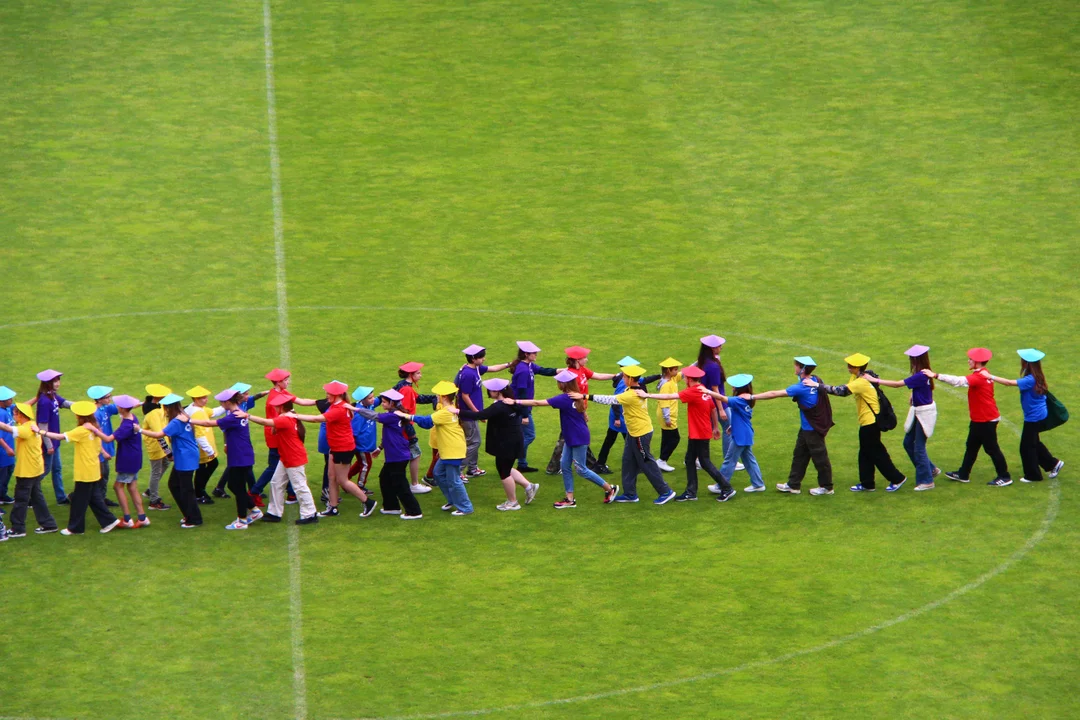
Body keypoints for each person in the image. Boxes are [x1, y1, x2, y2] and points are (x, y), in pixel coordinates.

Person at [514, 370, 619, 508]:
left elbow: (537, 402)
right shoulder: (576, 396)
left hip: (577, 436)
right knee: (565, 465)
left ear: (563, 384)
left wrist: (515, 401)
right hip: (573, 435)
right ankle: (569, 499)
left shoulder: (564, 398)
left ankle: (609, 489)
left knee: (581, 469)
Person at [636, 365, 734, 502]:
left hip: (699, 433)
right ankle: (691, 492)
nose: (684, 379)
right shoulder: (704, 390)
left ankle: (726, 487)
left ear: (689, 379)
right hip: (700, 432)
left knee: (705, 462)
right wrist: (716, 427)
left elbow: (670, 396)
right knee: (689, 460)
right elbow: (712, 409)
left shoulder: (693, 391)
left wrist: (647, 395)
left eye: (686, 378)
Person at [813, 353, 906, 493]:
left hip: (870, 423)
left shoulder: (862, 382)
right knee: (865, 452)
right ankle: (867, 483)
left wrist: (817, 385)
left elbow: (841, 391)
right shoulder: (860, 376)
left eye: (851, 366)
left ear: (858, 368)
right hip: (867, 422)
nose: (848, 368)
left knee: (876, 453)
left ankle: (897, 478)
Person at [585, 365, 676, 505]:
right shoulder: (636, 389)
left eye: (625, 376)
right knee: (628, 461)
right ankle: (630, 494)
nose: (623, 378)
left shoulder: (631, 394)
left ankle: (665, 491)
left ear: (631, 379)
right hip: (634, 433)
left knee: (647, 463)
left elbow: (609, 399)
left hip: (640, 434)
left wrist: (586, 396)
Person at [288, 381, 377, 518]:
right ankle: (333, 507)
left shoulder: (338, 409)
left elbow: (317, 419)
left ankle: (367, 502)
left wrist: (295, 416)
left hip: (343, 448)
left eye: (328, 394)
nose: (326, 396)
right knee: (332, 477)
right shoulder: (338, 405)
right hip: (335, 447)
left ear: (336, 395)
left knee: (343, 480)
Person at [926, 348, 1013, 487]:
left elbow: (958, 381)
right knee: (971, 446)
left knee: (991, 448)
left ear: (977, 362)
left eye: (971, 359)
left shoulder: (979, 377)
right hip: (981, 418)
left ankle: (1004, 476)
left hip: (985, 419)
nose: (968, 361)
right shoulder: (985, 373)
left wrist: (936, 375)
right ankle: (963, 473)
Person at [862, 345, 940, 491]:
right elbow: (927, 389)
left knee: (918, 447)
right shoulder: (924, 373)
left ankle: (927, 481)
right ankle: (930, 469)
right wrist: (914, 394)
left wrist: (875, 380)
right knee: (908, 442)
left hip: (923, 413)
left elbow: (898, 384)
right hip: (919, 411)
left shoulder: (921, 375)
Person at [984, 349, 1065, 483]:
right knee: (1033, 442)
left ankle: (1033, 475)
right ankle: (1053, 464)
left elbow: (1009, 383)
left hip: (1034, 416)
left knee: (1026, 447)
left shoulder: (1030, 379)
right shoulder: (1037, 376)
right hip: (1039, 413)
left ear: (1027, 363)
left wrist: (990, 376)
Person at [457, 378, 539, 510]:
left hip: (506, 443)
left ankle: (513, 502)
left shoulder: (499, 406)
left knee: (504, 472)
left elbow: (480, 415)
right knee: (506, 467)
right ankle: (529, 486)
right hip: (513, 440)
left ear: (497, 391)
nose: (488, 392)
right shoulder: (512, 402)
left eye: (490, 390)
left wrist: (458, 411)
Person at [757, 357, 834, 496]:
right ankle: (793, 485)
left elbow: (774, 394)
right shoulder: (816, 380)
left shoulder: (801, 387)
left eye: (796, 366)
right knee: (799, 455)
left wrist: (751, 397)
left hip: (812, 429)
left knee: (820, 458)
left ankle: (827, 487)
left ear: (802, 369)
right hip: (807, 429)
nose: (794, 368)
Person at [40, 401, 120, 535]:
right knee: (94, 498)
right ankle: (109, 521)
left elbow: (60, 437)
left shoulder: (81, 430)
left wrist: (41, 431)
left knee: (79, 500)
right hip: (93, 469)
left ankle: (76, 528)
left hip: (84, 471)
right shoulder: (95, 428)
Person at [188, 388, 263, 530]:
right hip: (242, 455)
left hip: (240, 456)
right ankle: (254, 510)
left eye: (222, 402)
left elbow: (210, 423)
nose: (221, 404)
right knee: (233, 485)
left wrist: (189, 419)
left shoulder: (233, 416)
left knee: (238, 487)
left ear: (228, 402)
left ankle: (241, 520)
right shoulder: (238, 413)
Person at [399, 381, 474, 516]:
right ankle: (453, 500)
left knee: (454, 481)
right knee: (438, 474)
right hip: (448, 449)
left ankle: (465, 507)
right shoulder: (449, 408)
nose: (437, 396)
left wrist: (407, 416)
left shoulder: (445, 412)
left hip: (453, 451)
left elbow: (427, 422)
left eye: (439, 395)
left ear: (444, 397)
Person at [245, 394, 319, 524]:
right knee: (276, 482)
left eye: (276, 407)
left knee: (300, 486)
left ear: (282, 407)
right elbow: (274, 430)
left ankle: (310, 514)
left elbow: (265, 422)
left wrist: (248, 415)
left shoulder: (285, 419)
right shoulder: (289, 416)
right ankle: (274, 513)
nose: (275, 409)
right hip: (286, 456)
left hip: (292, 458)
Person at [545, 346, 617, 475]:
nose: (587, 359)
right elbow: (574, 397)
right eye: (584, 358)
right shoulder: (572, 375)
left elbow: (597, 375)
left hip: (578, 408)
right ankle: (591, 465)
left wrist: (615, 376)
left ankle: (555, 467)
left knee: (570, 437)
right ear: (578, 360)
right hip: (574, 410)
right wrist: (583, 412)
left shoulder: (582, 370)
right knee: (572, 437)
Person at [250, 369, 317, 507]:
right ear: (278, 382)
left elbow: (301, 401)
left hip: (279, 434)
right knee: (275, 467)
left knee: (284, 465)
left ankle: (291, 493)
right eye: (286, 380)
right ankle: (254, 492)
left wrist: (321, 402)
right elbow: (278, 420)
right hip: (276, 436)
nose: (288, 382)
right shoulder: (274, 399)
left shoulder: (282, 393)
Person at [139, 394, 203, 527]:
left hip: (185, 457)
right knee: (175, 484)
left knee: (186, 489)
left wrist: (139, 429)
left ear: (168, 407)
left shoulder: (176, 421)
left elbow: (159, 435)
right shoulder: (184, 416)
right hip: (186, 455)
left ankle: (194, 519)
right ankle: (189, 514)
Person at [0, 401, 59, 537]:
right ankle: (48, 524)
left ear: (21, 415)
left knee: (21, 499)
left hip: (27, 471)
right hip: (35, 468)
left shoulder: (26, 429)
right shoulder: (31, 425)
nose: (13, 416)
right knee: (37, 498)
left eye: (15, 414)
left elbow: (8, 429)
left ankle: (18, 528)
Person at [454, 344, 510, 478]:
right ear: (474, 359)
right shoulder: (468, 374)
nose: (484, 359)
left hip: (473, 412)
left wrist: (509, 364)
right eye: (482, 357)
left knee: (474, 440)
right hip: (469, 414)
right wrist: (477, 414)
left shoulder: (476, 369)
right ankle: (458, 471)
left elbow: (494, 368)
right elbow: (464, 396)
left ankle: (472, 468)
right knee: (474, 442)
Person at [366, 389, 423, 519]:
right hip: (396, 455)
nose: (382, 404)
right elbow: (390, 435)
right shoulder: (395, 415)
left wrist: (356, 409)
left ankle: (414, 511)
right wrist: (380, 448)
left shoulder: (391, 416)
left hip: (397, 456)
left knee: (400, 484)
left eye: (385, 402)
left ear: (392, 403)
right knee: (385, 478)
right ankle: (391, 507)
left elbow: (373, 416)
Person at [211, 382, 269, 498]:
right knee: (245, 466)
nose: (248, 396)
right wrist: (226, 443)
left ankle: (220, 488)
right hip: (236, 441)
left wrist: (268, 392)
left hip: (241, 439)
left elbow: (255, 397)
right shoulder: (232, 411)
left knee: (237, 466)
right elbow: (225, 429)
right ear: (239, 396)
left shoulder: (243, 403)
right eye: (246, 394)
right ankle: (253, 491)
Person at [508, 340, 558, 473]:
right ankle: (510, 456)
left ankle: (522, 464)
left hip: (522, 407)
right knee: (529, 435)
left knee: (523, 435)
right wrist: (524, 415)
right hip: (521, 408)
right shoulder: (523, 370)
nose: (536, 355)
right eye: (534, 353)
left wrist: (562, 371)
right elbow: (522, 394)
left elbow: (543, 370)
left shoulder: (528, 365)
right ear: (526, 354)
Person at [393, 362, 436, 493]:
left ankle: (403, 483)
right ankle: (414, 484)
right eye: (418, 373)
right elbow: (404, 412)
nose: (421, 375)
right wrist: (411, 433)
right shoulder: (406, 389)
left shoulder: (405, 386)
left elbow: (418, 398)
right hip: (405, 429)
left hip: (402, 428)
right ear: (411, 375)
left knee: (408, 455)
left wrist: (434, 397)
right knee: (415, 455)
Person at [695, 336, 737, 470]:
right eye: (719, 346)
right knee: (729, 428)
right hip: (716, 402)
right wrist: (721, 409)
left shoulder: (704, 362)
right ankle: (729, 460)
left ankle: (693, 458)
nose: (721, 347)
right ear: (712, 348)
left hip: (706, 402)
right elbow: (715, 388)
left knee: (703, 430)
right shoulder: (712, 366)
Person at [110, 394, 150, 528]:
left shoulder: (126, 425)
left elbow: (110, 438)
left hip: (127, 459)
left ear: (121, 408)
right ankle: (142, 517)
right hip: (135, 457)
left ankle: (127, 519)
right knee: (132, 487)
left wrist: (94, 431)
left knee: (118, 486)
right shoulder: (133, 418)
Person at [32, 369, 70, 504]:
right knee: (45, 470)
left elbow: (64, 403)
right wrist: (49, 446)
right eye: (55, 380)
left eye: (58, 380)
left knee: (57, 469)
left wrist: (82, 407)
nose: (58, 383)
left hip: (55, 441)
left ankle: (61, 497)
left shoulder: (52, 396)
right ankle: (30, 493)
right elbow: (42, 426)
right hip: (49, 443)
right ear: (48, 383)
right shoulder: (44, 401)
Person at [184, 386, 223, 505]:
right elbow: (199, 435)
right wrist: (209, 451)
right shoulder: (197, 413)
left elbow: (214, 412)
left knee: (201, 470)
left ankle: (199, 492)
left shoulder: (196, 408)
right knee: (211, 465)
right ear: (195, 399)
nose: (206, 400)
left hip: (199, 448)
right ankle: (199, 493)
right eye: (203, 398)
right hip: (202, 449)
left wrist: (229, 403)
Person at [141, 384, 173, 510]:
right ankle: (154, 500)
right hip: (156, 446)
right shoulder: (153, 413)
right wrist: (169, 452)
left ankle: (150, 490)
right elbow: (158, 435)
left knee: (165, 464)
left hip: (162, 444)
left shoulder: (160, 406)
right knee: (156, 472)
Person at [88, 385, 121, 508]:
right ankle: (98, 501)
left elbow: (123, 408)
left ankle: (101, 498)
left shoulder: (105, 408)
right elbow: (95, 436)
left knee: (104, 475)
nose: (110, 399)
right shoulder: (95, 414)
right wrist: (103, 452)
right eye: (107, 397)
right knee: (100, 476)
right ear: (99, 399)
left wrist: (144, 403)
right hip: (99, 451)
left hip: (104, 448)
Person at [347, 386, 380, 488]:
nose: (373, 399)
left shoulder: (370, 405)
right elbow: (354, 432)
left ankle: (345, 479)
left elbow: (381, 398)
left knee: (360, 463)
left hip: (367, 444)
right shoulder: (358, 413)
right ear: (363, 400)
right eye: (370, 398)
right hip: (362, 445)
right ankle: (360, 486)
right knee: (367, 464)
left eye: (373, 397)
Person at [654, 358, 682, 472]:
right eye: (675, 369)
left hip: (668, 414)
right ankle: (662, 459)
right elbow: (664, 402)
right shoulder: (666, 385)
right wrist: (667, 418)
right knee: (675, 438)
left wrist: (699, 361)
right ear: (668, 371)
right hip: (667, 415)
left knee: (666, 438)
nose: (677, 371)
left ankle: (662, 461)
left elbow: (685, 373)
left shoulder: (672, 379)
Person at [0, 386, 17, 505]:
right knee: (2, 476)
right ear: (2, 401)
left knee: (8, 472)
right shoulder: (1, 414)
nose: (12, 400)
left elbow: (22, 407)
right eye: (9, 399)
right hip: (3, 452)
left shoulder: (8, 408)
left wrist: (37, 397)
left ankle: (2, 495)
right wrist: (7, 448)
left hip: (9, 451)